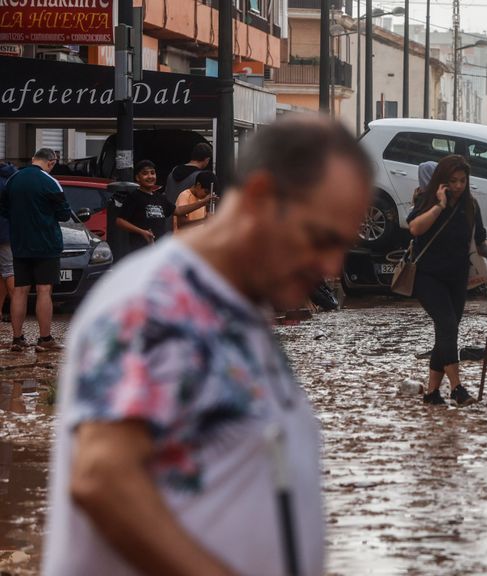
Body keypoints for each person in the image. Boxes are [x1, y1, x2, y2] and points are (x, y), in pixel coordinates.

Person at [43, 115, 372, 576]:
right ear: (259, 199)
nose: (332, 265)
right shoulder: (157, 303)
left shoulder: (237, 311)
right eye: (321, 238)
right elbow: (102, 479)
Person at [407, 155, 487, 406]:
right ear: (442, 181)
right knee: (448, 326)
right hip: (427, 276)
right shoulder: (426, 200)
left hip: (457, 277)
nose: (458, 186)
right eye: (453, 181)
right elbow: (415, 229)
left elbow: (480, 239)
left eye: (463, 180)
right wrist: (439, 205)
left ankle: (431, 393)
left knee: (446, 333)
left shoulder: (471, 205)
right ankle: (457, 388)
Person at [0, 148, 70, 353]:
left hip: (20, 244)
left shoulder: (13, 180)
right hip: (46, 244)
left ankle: (17, 339)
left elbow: (3, 209)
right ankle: (45, 338)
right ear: (51, 162)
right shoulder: (50, 181)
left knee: (20, 291)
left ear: (33, 159)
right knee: (44, 290)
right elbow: (64, 213)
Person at [117, 160, 212, 253]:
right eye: (145, 173)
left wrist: (203, 202)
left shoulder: (160, 198)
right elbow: (120, 221)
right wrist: (142, 231)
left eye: (152, 173)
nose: (150, 176)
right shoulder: (134, 196)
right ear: (138, 177)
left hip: (158, 249)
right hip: (141, 251)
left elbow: (178, 210)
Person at [0, 162, 18, 323]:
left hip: (4, 231)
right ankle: (15, 309)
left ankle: (16, 308)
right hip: (8, 232)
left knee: (8, 272)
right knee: (6, 272)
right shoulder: (12, 178)